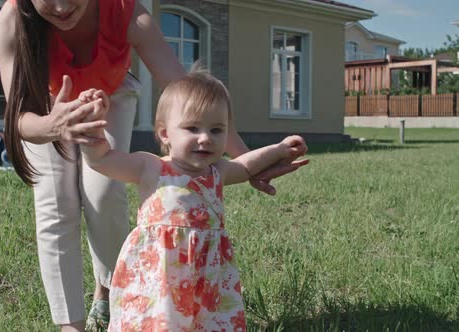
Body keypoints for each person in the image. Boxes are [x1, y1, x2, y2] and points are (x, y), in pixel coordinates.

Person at [0, 1, 304, 330]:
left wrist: (247, 162)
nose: (60, 6)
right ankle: (70, 324)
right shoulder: (12, 21)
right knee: (56, 203)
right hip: (45, 108)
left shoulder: (125, 12)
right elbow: (18, 118)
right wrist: (54, 126)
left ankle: (109, 286)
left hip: (112, 93)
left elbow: (188, 98)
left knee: (103, 192)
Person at [78, 68, 309, 330]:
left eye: (216, 130)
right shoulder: (150, 167)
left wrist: (277, 150)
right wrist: (92, 127)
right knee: (158, 322)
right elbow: (102, 159)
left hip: (206, 274)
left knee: (207, 321)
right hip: (159, 273)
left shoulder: (216, 171)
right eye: (192, 128)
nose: (205, 138)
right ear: (165, 134)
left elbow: (245, 166)